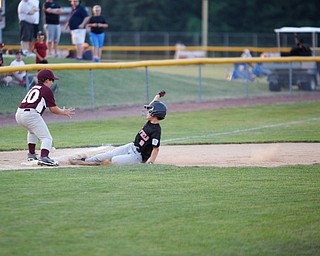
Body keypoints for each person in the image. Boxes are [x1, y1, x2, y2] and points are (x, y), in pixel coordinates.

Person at [69, 91, 167, 166]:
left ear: (155, 114)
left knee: (114, 160)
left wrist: (150, 163)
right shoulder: (150, 121)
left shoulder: (156, 130)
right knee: (108, 154)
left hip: (138, 157)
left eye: (150, 111)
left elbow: (155, 149)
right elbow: (154, 102)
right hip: (132, 146)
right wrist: (159, 94)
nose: (147, 112)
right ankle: (86, 161)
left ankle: (98, 164)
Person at [15, 69, 75, 166]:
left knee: (32, 131)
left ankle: (31, 154)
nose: (52, 82)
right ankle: (44, 157)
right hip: (31, 115)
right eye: (52, 80)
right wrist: (63, 112)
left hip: (19, 114)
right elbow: (53, 109)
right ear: (47, 80)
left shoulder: (34, 87)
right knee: (47, 138)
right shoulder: (47, 90)